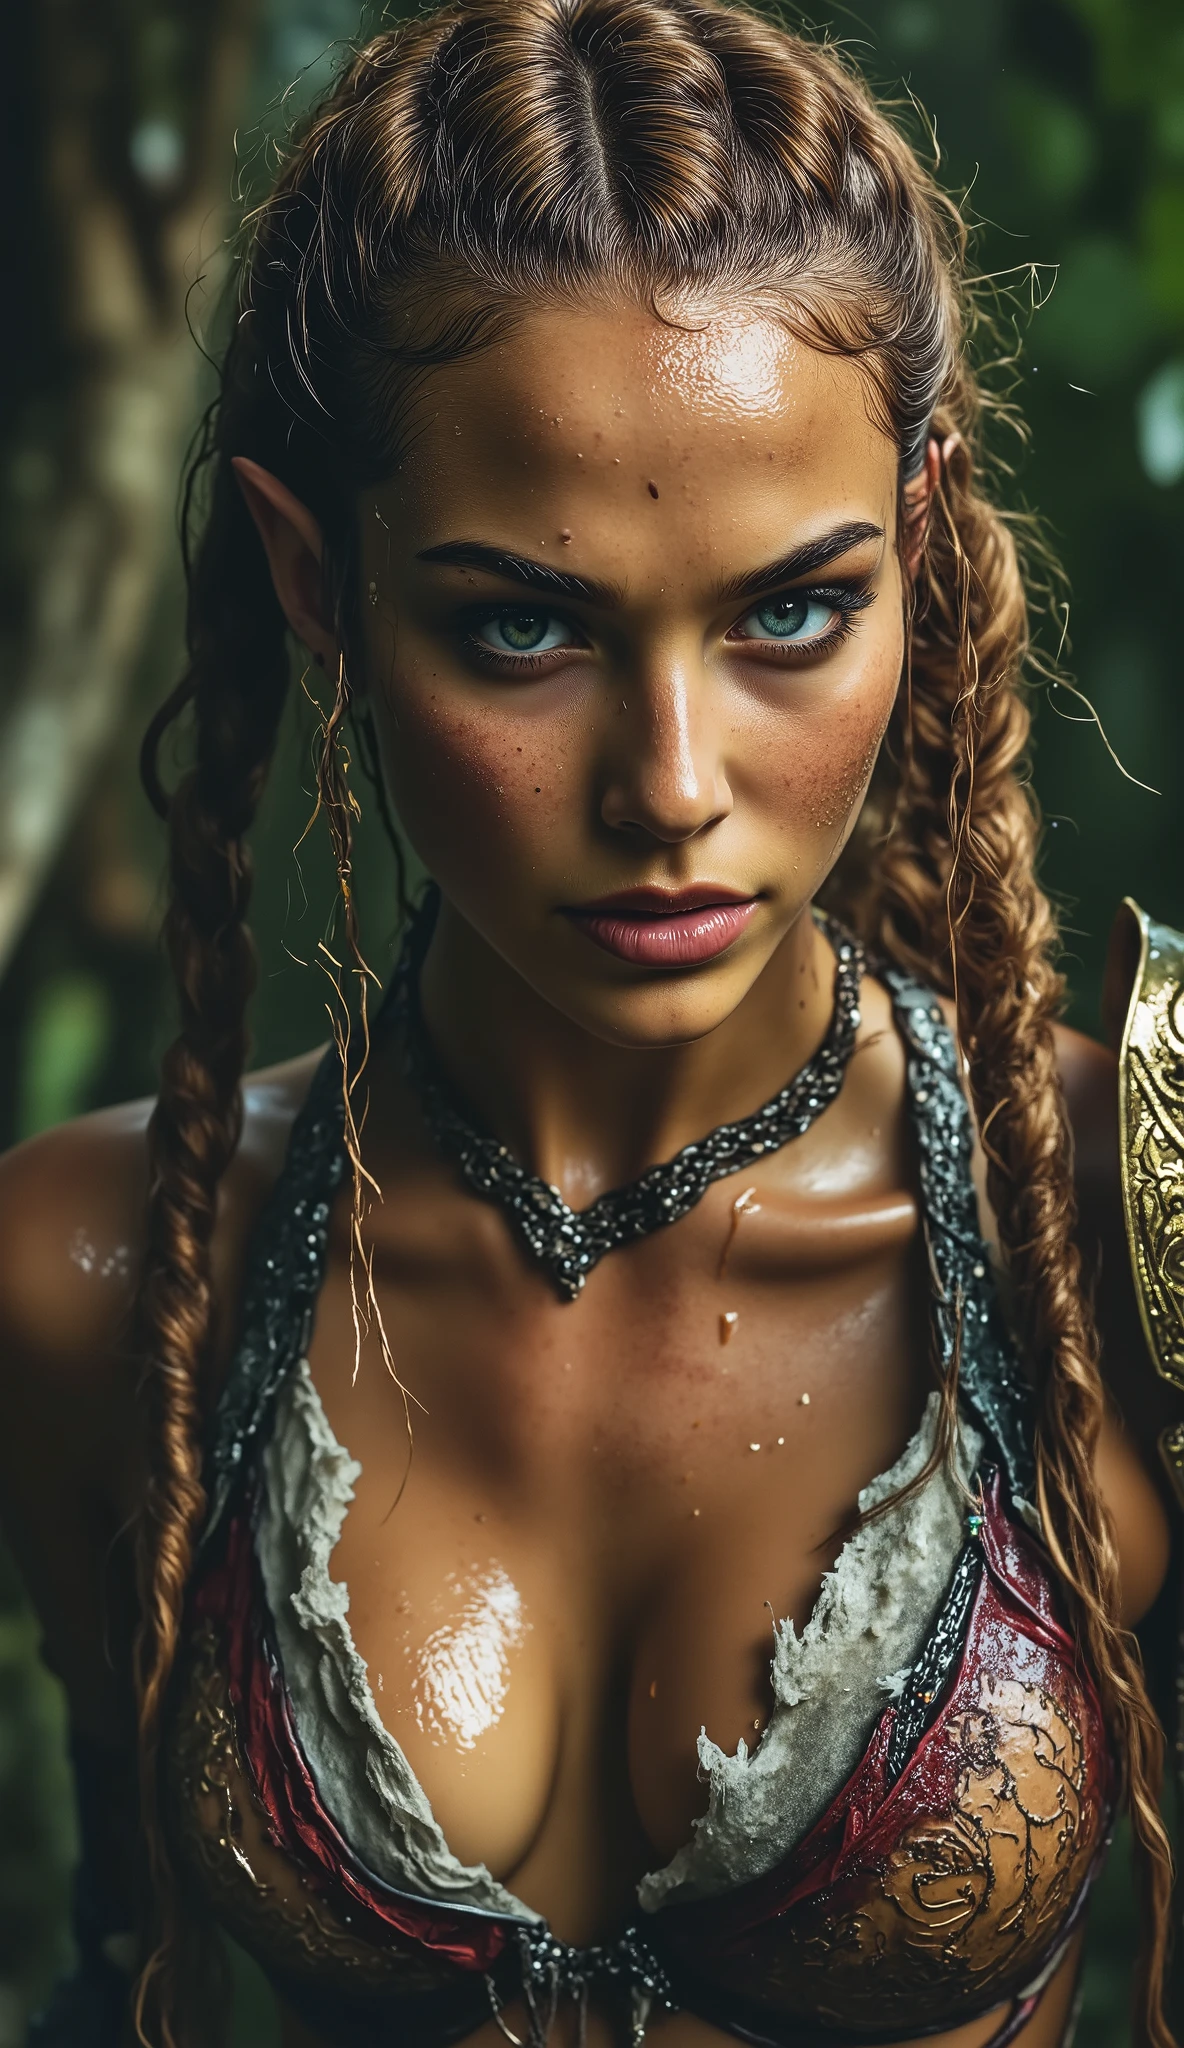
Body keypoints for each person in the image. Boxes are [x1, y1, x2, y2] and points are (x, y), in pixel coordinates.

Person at [0, 3, 1177, 2045]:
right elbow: (118, 1971)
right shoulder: (101, 1274)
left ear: (913, 545)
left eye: (787, 613)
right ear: (317, 585)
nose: (670, 783)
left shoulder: (1118, 1219)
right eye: (522, 624)